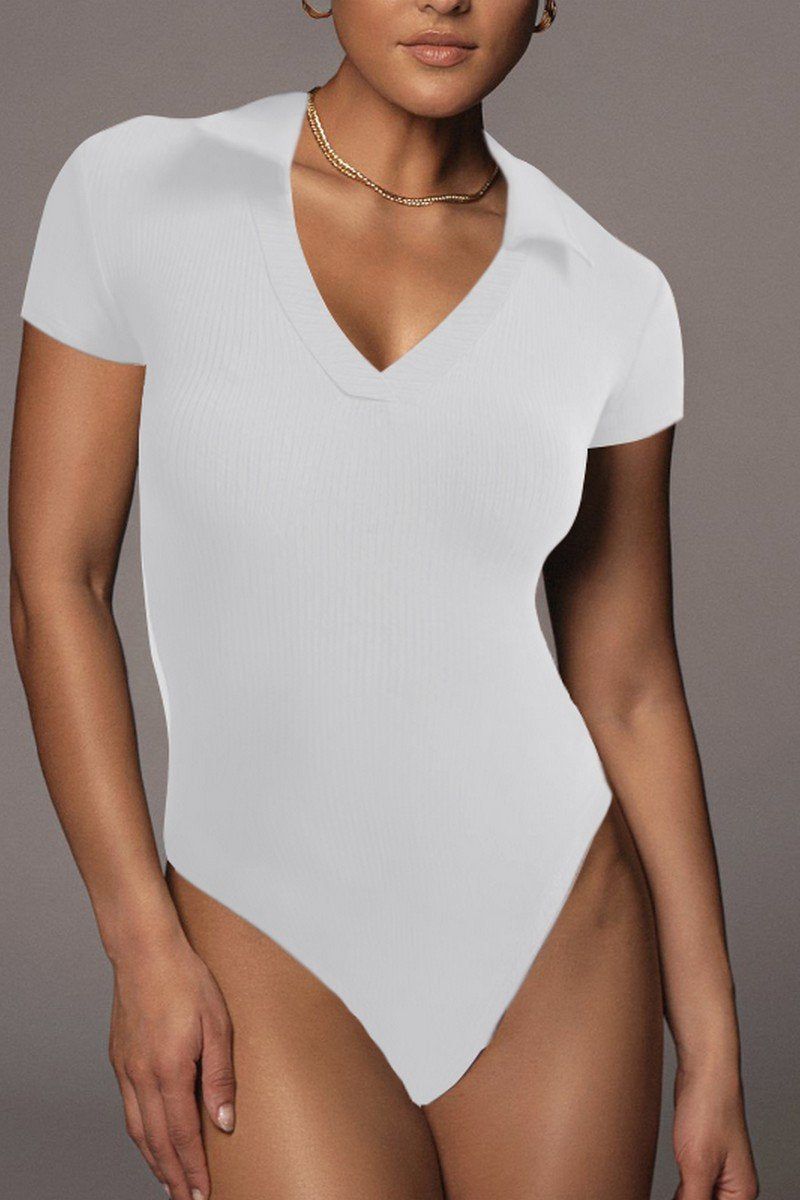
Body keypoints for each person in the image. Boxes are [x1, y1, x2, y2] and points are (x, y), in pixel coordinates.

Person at [10, 2, 759, 1198]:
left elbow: (626, 686)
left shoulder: (610, 292)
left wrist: (712, 1046)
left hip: (554, 938)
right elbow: (58, 583)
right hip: (260, 929)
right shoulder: (140, 193)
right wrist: (140, 940)